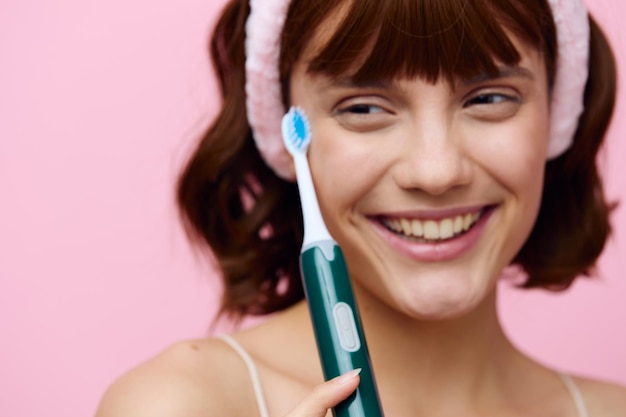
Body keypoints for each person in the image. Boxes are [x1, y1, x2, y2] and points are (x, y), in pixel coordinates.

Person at [96, 0, 626, 416]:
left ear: (559, 114)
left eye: (489, 98)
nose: (436, 172)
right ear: (289, 133)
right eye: (365, 107)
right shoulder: (180, 407)